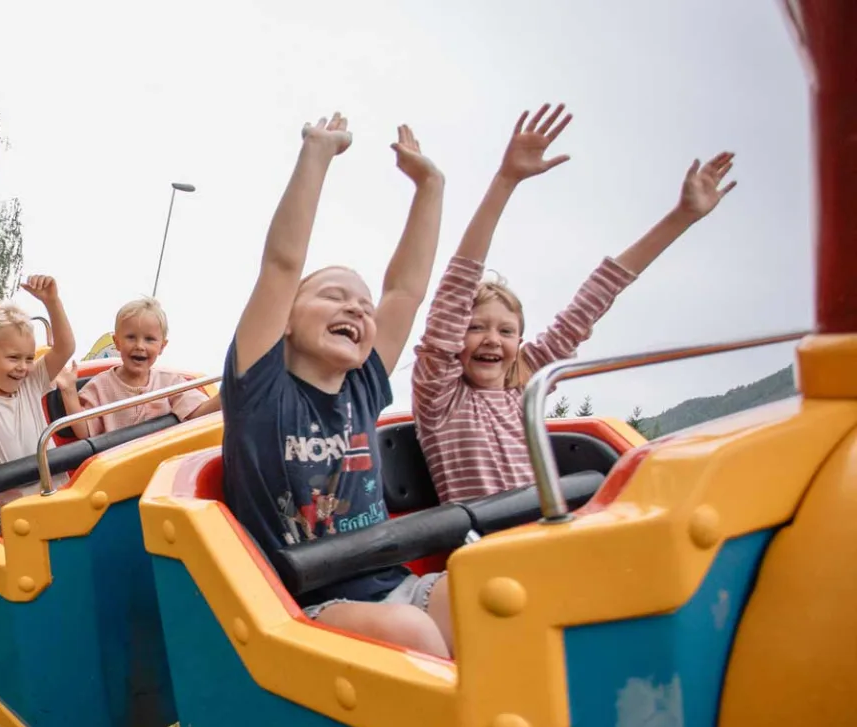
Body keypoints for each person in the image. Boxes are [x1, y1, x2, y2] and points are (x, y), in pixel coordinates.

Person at [412, 103, 737, 506]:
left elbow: (595, 298)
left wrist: (681, 218)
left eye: (506, 331)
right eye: (476, 327)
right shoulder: (440, 396)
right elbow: (456, 287)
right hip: (485, 548)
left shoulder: (525, 389)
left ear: (520, 342)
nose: (492, 339)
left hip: (546, 532)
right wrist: (506, 180)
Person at [221, 113, 450, 658]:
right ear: (286, 322)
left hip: (387, 586)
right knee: (416, 635)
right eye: (332, 295)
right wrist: (317, 154)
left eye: (364, 306)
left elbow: (407, 289)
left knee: (480, 586)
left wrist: (430, 187)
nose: (355, 306)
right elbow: (281, 265)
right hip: (302, 605)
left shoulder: (364, 385)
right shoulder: (261, 392)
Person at [0, 276, 77, 535]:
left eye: (29, 358)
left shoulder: (30, 385)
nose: (23, 367)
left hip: (58, 497)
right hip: (9, 515)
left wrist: (52, 302)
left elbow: (65, 348)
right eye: (13, 358)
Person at [58, 296, 220, 438]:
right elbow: (84, 431)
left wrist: (229, 393)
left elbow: (198, 413)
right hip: (118, 465)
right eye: (131, 337)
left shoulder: (170, 382)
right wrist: (69, 391)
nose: (139, 346)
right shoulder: (100, 386)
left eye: (149, 339)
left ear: (162, 346)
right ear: (117, 342)